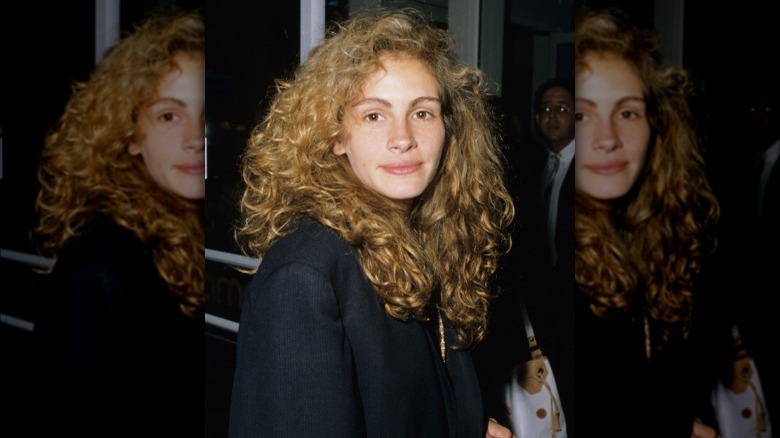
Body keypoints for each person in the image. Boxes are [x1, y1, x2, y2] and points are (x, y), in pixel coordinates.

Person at [228, 8, 516, 438]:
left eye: (422, 113)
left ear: (449, 129)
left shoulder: (427, 242)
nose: (403, 138)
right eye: (374, 115)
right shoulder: (306, 275)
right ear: (334, 137)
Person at [32, 10, 205, 436]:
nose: (195, 136)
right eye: (169, 115)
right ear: (131, 135)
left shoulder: (190, 232)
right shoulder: (101, 268)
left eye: (206, 112)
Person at [573, 9, 724, 437]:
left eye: (628, 113)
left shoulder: (663, 233)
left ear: (657, 124)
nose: (607, 137)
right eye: (583, 115)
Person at [473, 78, 576, 436]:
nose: (552, 117)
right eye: (545, 110)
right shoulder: (537, 165)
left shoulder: (587, 169)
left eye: (561, 108)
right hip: (536, 304)